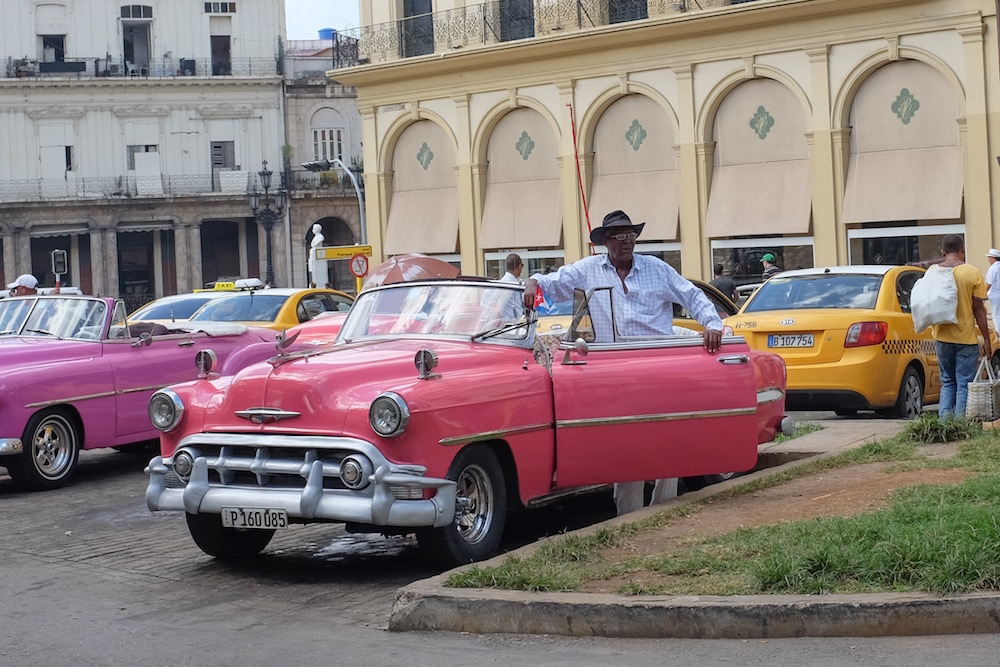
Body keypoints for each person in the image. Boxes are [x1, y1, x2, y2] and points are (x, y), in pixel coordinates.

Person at [523, 210, 723, 516]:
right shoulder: (588, 270)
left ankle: (663, 508)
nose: (626, 242)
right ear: (605, 241)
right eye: (618, 236)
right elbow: (552, 283)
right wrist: (532, 282)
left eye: (630, 236)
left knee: (666, 438)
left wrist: (712, 325)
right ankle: (629, 516)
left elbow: (692, 295)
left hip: (659, 364)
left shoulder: (657, 268)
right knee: (627, 443)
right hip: (617, 370)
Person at [932, 234, 991, 418]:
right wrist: (987, 338)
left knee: (948, 382)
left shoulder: (933, 272)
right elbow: (979, 309)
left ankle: (943, 425)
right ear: (962, 251)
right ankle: (959, 426)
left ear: (943, 252)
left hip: (941, 337)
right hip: (965, 338)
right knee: (964, 384)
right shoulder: (972, 273)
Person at [986, 248, 1000, 336]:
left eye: (989, 258)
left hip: (995, 297)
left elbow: (988, 284)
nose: (988, 260)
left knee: (996, 317)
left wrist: (981, 295)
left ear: (992, 258)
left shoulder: (993, 269)